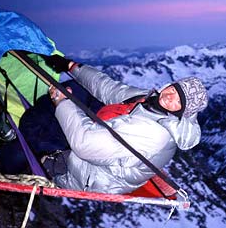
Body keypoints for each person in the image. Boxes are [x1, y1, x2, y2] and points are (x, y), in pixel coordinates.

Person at [43, 55, 208, 194]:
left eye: (179, 101)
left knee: (35, 132)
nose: (170, 97)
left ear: (182, 113)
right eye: (174, 90)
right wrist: (71, 66)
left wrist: (62, 101)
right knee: (72, 94)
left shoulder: (156, 135)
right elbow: (108, 89)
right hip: (97, 148)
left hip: (89, 176)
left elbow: (84, 144)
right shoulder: (148, 99)